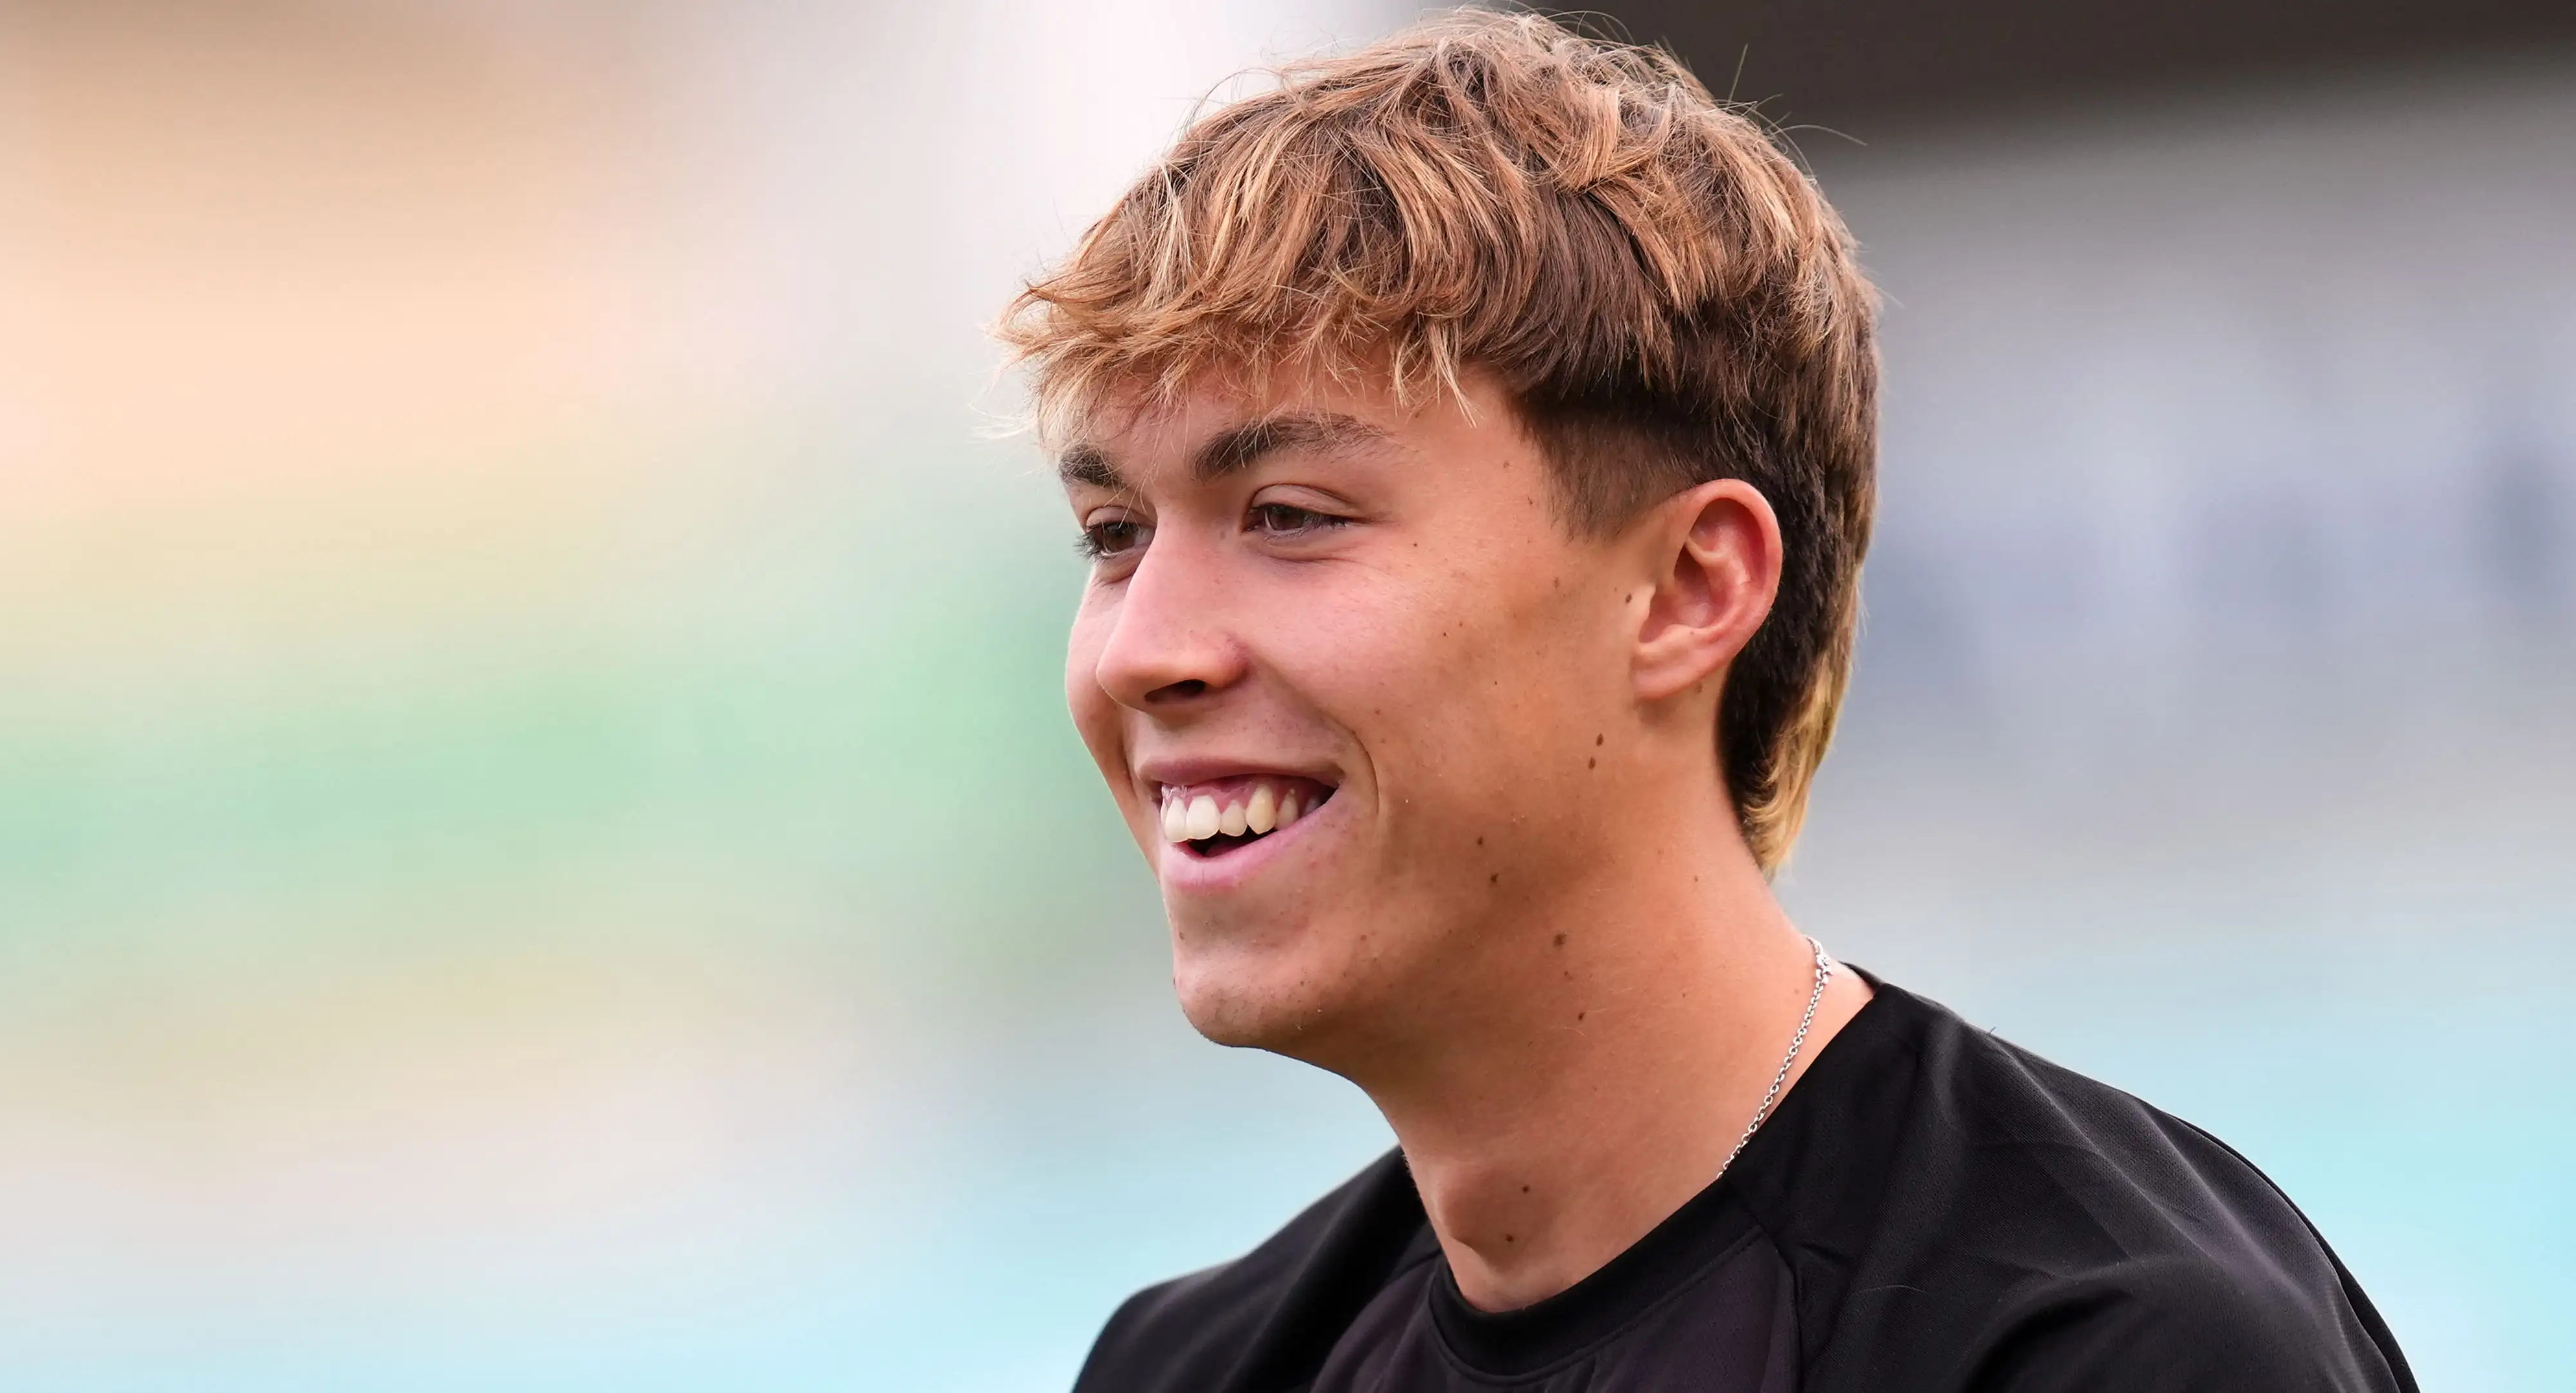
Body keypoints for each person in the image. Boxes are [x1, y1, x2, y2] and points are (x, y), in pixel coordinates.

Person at [997, 12, 2415, 1392]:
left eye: (1293, 516)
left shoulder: (2111, 1348)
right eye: (1114, 537)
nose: (1141, 653)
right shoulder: (1191, 1365)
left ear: (1687, 588)